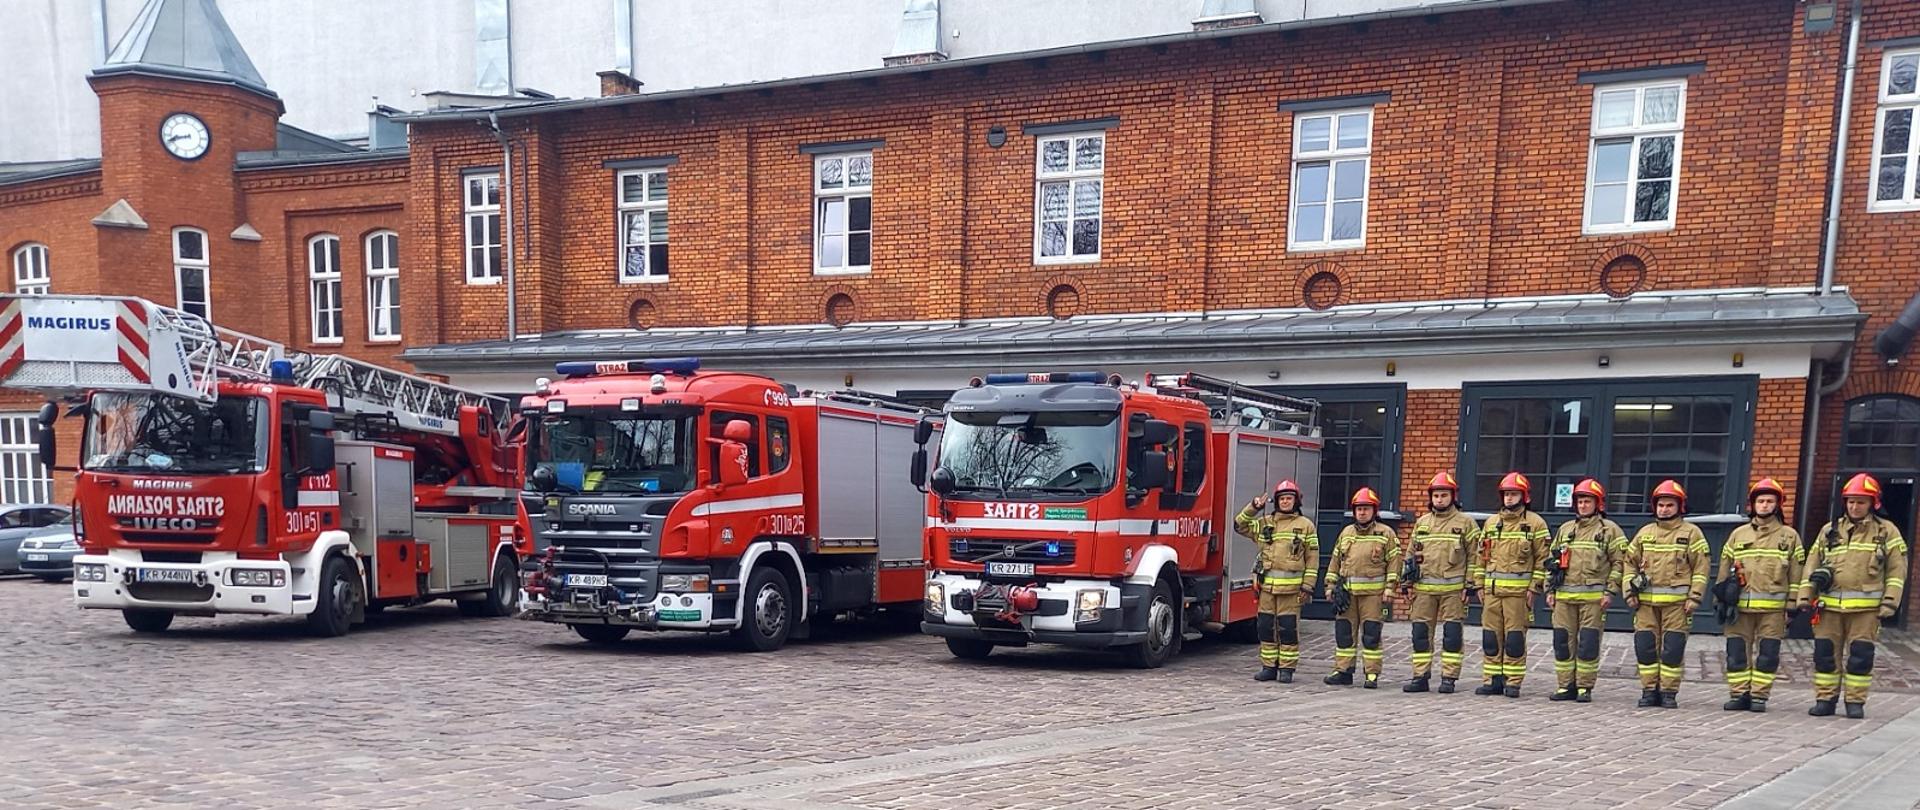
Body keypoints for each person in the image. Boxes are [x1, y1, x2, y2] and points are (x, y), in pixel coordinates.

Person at [1801, 473, 1909, 719]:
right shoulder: (1830, 531)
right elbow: (1811, 563)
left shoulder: (1886, 532)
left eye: (1861, 502)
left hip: (1866, 610)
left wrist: (1890, 601)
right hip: (1828, 607)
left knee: (1860, 657)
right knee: (1825, 655)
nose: (1854, 506)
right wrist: (1805, 596)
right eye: (1850, 501)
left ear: (1873, 503)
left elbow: (1896, 569)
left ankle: (1855, 702)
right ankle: (1825, 700)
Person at [1715, 477, 1803, 713]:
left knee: (1768, 654)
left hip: (1772, 610)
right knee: (1736, 652)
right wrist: (1719, 599)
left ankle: (1759, 696)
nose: (1764, 505)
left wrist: (1793, 605)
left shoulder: (1789, 537)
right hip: (1738, 609)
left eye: (1769, 501)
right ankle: (1739, 694)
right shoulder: (1738, 535)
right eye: (1760, 501)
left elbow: (1797, 574)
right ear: (1753, 504)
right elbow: (1725, 567)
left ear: (1778, 505)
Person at [1622, 479, 1710, 709]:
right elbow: (1628, 564)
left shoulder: (1692, 534)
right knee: (1645, 647)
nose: (1664, 509)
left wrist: (1695, 597)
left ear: (1680, 507)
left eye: (1670, 505)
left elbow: (1701, 568)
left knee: (1672, 649)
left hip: (1677, 605)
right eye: (1661, 505)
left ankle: (1668, 692)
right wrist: (1629, 592)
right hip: (1645, 605)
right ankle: (1649, 690)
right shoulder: (1644, 533)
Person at [1546, 478, 1626, 703]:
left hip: (1593, 599)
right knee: (1562, 642)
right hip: (1564, 597)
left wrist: (1610, 592)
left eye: (1587, 501)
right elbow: (1552, 561)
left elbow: (1619, 564)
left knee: (1588, 644)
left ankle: (1584, 686)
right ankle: (1565, 686)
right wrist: (1550, 590)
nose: (1583, 506)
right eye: (1580, 501)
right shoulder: (1565, 530)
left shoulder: (1610, 531)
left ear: (1598, 503)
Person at [1233, 479, 1319, 684]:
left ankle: (1287, 669)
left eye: (1289, 498)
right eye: (1282, 498)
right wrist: (1253, 507)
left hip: (1291, 590)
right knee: (1265, 627)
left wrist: (1308, 586)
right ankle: (1268, 667)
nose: (1286, 502)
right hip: (1267, 590)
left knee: (1287, 629)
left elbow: (1313, 558)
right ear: (1276, 501)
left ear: (1296, 501)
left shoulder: (1305, 526)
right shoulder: (1265, 523)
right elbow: (1239, 525)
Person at [1402, 471, 1480, 694]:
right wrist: (1406, 583)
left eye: (1444, 495)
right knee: (1420, 634)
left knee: (1452, 635)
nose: (1439, 500)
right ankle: (1420, 676)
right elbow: (1410, 554)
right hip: (1423, 591)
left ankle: (1449, 677)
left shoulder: (1466, 523)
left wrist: (1470, 584)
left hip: (1453, 591)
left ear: (1452, 496)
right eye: (1436, 495)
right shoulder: (1422, 523)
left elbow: (1475, 556)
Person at [1477, 472, 1549, 698]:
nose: (1509, 499)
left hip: (1518, 595)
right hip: (1492, 592)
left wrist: (1533, 588)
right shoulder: (1491, 523)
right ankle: (1492, 680)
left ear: (1524, 496)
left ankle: (1513, 681)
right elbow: (1481, 557)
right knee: (1491, 637)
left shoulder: (1535, 524)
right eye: (1506, 494)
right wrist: (1479, 585)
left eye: (1514, 494)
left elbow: (1543, 560)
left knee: (1515, 639)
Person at [1324, 487, 1400, 688]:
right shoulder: (1346, 533)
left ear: (1374, 511)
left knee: (1371, 634)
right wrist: (1330, 585)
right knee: (1344, 633)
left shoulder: (1386, 534)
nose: (1362, 513)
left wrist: (1390, 588)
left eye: (1366, 509)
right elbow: (1335, 561)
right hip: (1347, 594)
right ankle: (1343, 670)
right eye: (1358, 509)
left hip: (1373, 596)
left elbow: (1394, 564)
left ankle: (1372, 673)